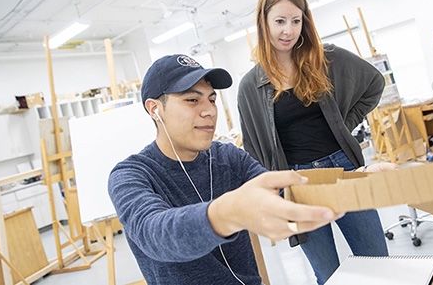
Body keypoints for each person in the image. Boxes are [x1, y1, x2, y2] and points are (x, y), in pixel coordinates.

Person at [108, 54, 345, 285]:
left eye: (211, 99)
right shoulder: (131, 175)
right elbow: (155, 235)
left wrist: (357, 178)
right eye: (192, 100)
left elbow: (287, 192)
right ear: (154, 109)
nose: (209, 110)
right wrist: (229, 213)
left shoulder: (227, 157)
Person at [237, 0, 395, 285]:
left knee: (378, 264)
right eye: (280, 21)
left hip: (344, 172)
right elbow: (253, 150)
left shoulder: (325, 58)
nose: (289, 30)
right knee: (328, 274)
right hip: (297, 185)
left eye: (296, 20)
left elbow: (374, 84)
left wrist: (341, 127)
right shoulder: (249, 87)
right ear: (263, 22)